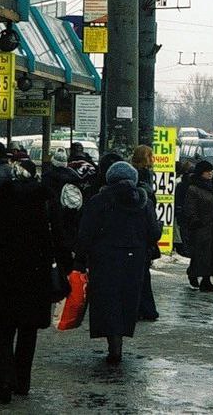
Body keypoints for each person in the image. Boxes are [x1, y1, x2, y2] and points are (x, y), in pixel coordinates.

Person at [0, 159, 57, 403]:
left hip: (1, 277)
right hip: (34, 278)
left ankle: (3, 385)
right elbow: (53, 242)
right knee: (29, 332)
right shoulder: (44, 199)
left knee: (3, 332)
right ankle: (22, 382)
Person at [74, 161, 161, 364]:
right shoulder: (143, 202)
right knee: (126, 300)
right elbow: (154, 233)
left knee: (108, 301)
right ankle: (119, 340)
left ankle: (113, 344)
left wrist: (79, 259)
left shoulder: (98, 201)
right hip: (134, 260)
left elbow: (85, 233)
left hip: (104, 259)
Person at [184, 160, 213, 292]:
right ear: (201, 172)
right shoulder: (194, 188)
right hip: (201, 228)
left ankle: (206, 280)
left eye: (212, 171)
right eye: (208, 171)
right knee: (200, 255)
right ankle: (193, 274)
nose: (210, 174)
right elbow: (190, 208)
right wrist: (195, 221)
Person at [43, 147, 84, 274]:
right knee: (68, 249)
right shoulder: (74, 176)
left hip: (54, 218)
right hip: (71, 218)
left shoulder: (47, 177)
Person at [131, 144, 160, 322]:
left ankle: (145, 308)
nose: (153, 159)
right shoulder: (142, 177)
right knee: (141, 274)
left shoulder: (144, 175)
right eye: (150, 156)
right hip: (142, 230)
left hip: (143, 230)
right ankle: (145, 309)